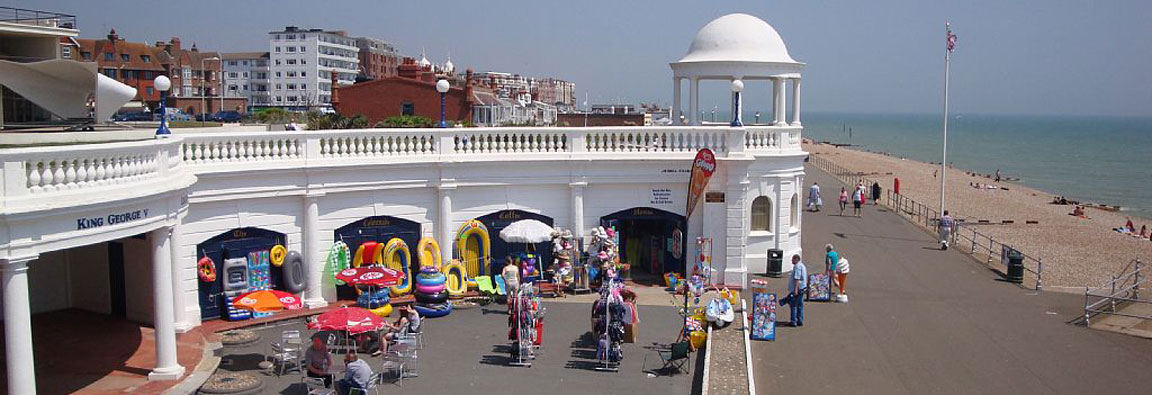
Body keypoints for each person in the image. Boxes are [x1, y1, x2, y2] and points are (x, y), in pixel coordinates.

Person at [787, 254, 807, 327]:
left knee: (794, 305)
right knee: (800, 305)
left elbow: (797, 278)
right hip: (802, 288)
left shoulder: (797, 267)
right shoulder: (802, 266)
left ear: (796, 259)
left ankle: (793, 321)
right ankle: (800, 320)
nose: (792, 261)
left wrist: (795, 289)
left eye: (792, 259)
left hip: (798, 289)